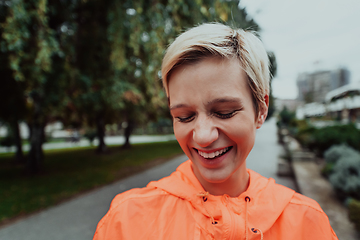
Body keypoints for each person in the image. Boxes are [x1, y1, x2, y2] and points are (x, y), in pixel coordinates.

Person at [93, 23, 338, 240]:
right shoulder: (125, 222)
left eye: (224, 112)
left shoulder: (308, 223)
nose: (202, 136)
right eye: (184, 116)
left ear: (261, 110)